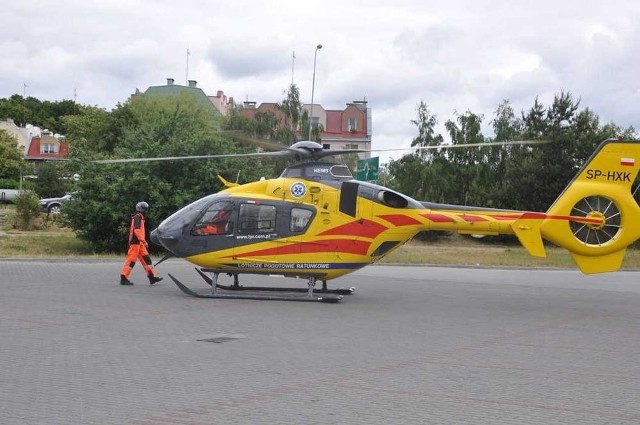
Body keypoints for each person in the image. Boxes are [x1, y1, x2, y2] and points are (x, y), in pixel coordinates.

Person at [120, 201, 163, 286]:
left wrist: (142, 242)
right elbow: (137, 230)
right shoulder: (137, 217)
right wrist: (144, 241)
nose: (146, 211)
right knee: (131, 261)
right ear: (141, 209)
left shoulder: (140, 217)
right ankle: (124, 278)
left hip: (139, 243)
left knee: (146, 260)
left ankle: (152, 277)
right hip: (136, 243)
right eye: (145, 209)